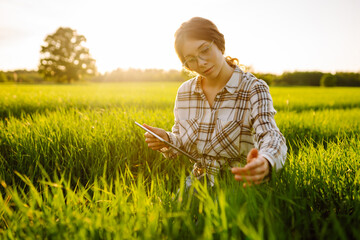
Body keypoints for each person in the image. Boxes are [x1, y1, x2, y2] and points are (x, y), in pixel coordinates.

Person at [143, 17, 287, 188]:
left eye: (204, 50)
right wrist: (166, 139)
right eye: (191, 59)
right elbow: (182, 140)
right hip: (197, 184)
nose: (201, 63)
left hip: (241, 185)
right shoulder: (185, 92)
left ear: (219, 43)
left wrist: (266, 161)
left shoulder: (253, 88)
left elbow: (270, 134)